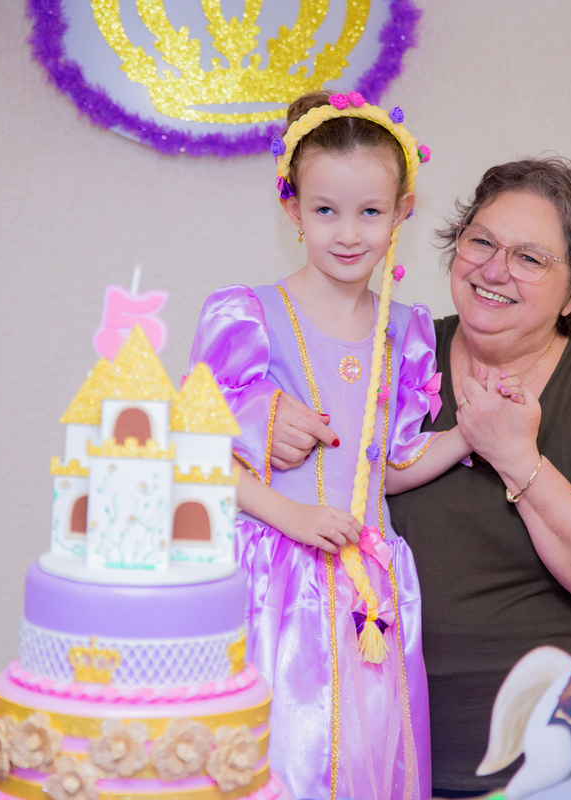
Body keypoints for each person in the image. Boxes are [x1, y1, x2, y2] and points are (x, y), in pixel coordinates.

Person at [187, 92, 469, 800]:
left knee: (366, 759)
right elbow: (194, 454)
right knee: (282, 755)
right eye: (326, 210)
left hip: (370, 587)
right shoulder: (246, 315)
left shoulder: (405, 333)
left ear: (402, 209)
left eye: (370, 212)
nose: (349, 233)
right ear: (292, 207)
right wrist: (293, 518)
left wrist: (471, 434)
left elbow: (392, 466)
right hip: (273, 582)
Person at [383, 158, 571, 797]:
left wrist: (518, 459)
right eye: (482, 241)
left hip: (551, 762)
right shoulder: (393, 352)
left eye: (530, 258)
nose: (494, 269)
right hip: (379, 749)